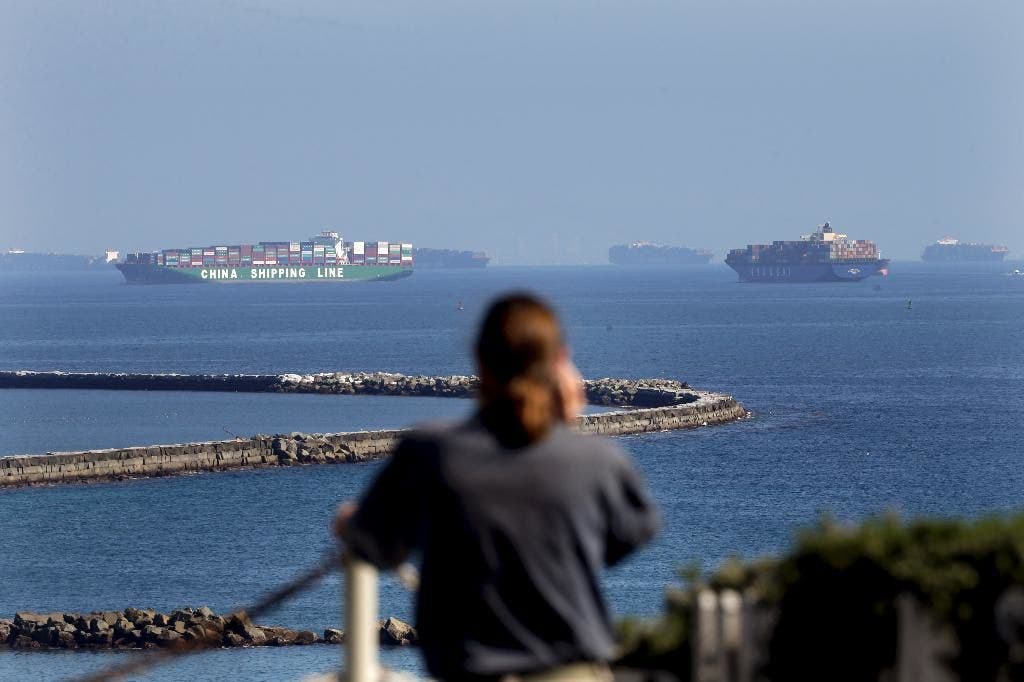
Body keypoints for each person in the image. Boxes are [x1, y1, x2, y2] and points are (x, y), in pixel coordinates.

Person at [335, 292, 659, 682]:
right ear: (560, 362)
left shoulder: (428, 454)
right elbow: (620, 540)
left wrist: (348, 525)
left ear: (478, 361)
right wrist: (566, 431)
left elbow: (376, 546)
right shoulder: (598, 461)